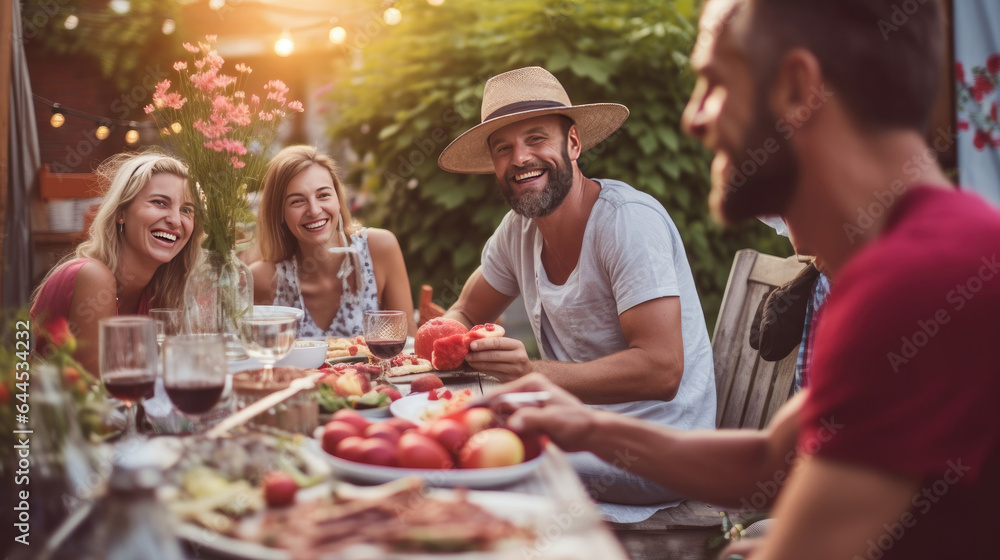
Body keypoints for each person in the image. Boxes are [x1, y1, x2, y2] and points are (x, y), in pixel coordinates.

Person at [491, 1, 1000, 558]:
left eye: (714, 83)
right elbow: (771, 463)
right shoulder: (913, 256)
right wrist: (585, 428)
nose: (694, 118)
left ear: (798, 89)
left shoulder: (921, 283)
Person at [436, 66, 717, 521]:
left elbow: (662, 369)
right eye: (504, 149)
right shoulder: (518, 230)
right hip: (578, 430)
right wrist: (447, 339)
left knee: (472, 466)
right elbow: (466, 308)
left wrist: (532, 373)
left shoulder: (627, 221)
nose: (520, 158)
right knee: (446, 439)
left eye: (536, 139)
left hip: (658, 447)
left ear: (573, 143)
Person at [30, 151, 202, 375]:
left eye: (186, 210)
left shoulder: (164, 291)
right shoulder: (93, 276)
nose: (175, 220)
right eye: (160, 202)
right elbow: (100, 397)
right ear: (122, 212)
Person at [251, 145, 416, 338]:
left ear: (338, 199)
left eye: (323, 195)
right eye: (297, 201)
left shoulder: (379, 248)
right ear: (279, 212)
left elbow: (410, 345)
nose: (314, 210)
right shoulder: (261, 279)